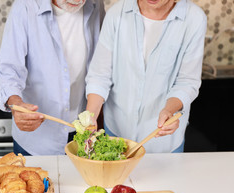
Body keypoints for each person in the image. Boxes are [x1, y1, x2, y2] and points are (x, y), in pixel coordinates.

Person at [85, 0, 207, 153]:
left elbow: (187, 81)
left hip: (162, 142)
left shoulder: (194, 19)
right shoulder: (116, 14)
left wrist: (169, 110)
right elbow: (99, 75)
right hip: (117, 132)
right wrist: (89, 118)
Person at [0, 0, 105, 155]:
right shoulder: (25, 7)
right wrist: (16, 104)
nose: (79, 0)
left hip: (82, 135)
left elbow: (100, 67)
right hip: (37, 141)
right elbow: (9, 70)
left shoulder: (95, 5)